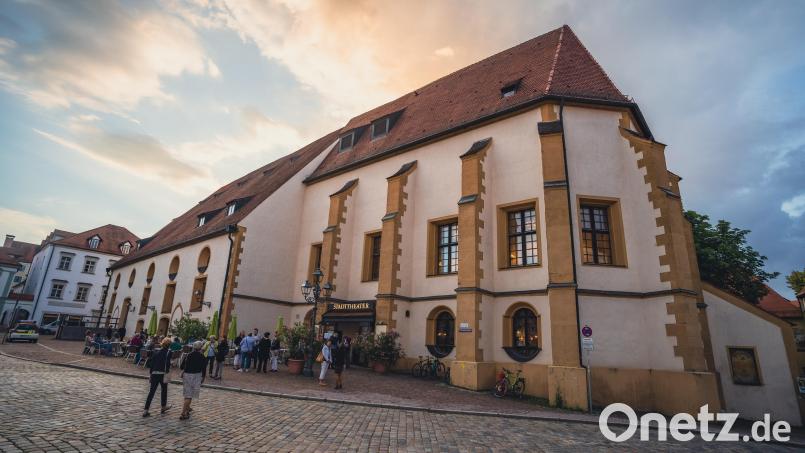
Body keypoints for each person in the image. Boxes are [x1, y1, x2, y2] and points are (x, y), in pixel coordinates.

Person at [142, 338, 173, 417]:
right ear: (169, 345)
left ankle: (146, 410)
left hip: (154, 373)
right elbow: (168, 363)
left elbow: (152, 364)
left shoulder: (156, 351)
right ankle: (163, 406)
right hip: (163, 374)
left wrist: (151, 374)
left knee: (151, 392)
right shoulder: (169, 352)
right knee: (164, 390)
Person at [179, 341, 206, 420]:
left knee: (187, 394)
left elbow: (182, 366)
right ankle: (183, 413)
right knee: (189, 396)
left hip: (187, 375)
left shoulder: (188, 355)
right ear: (200, 348)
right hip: (196, 376)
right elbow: (204, 368)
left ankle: (187, 409)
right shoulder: (202, 356)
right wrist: (203, 377)